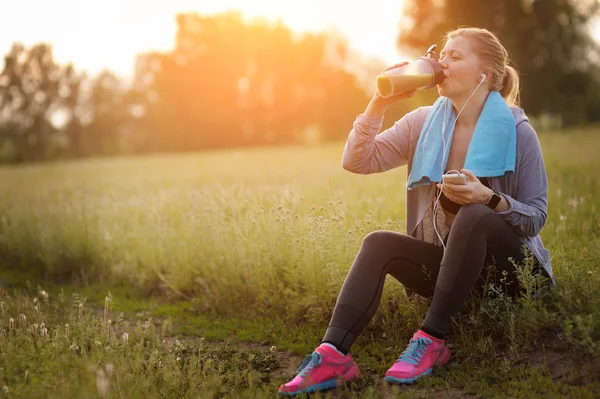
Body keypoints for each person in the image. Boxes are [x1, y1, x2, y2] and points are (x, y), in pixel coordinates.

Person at [277, 27, 554, 397]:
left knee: (473, 215)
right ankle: (333, 355)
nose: (442, 63)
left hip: (513, 275)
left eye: (455, 56)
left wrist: (487, 198)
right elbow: (358, 161)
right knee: (378, 243)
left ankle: (432, 339)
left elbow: (535, 217)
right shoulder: (423, 123)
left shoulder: (518, 132)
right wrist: (380, 101)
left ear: (484, 75)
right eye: (441, 54)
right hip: (452, 272)